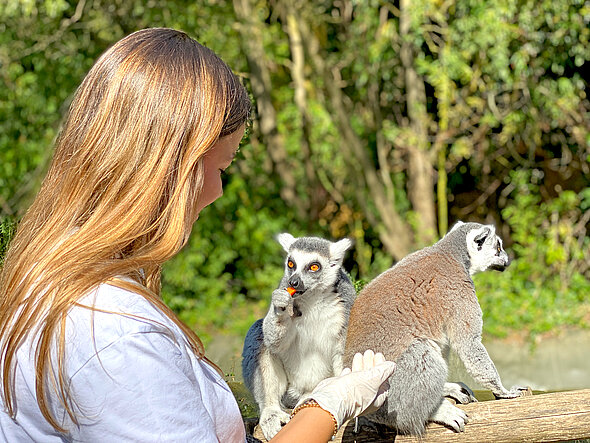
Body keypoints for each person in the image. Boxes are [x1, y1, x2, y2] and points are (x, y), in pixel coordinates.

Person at [0, 28, 395, 442]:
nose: (218, 191)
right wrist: (328, 408)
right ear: (172, 165)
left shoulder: (51, 280)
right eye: (220, 168)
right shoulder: (116, 334)